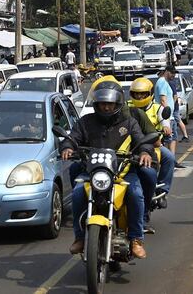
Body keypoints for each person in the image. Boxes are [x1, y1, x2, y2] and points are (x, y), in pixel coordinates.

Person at [62, 79, 153, 258]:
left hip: (123, 172)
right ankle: (80, 238)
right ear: (97, 103)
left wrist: (145, 152)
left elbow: (141, 140)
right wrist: (67, 147)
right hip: (92, 173)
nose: (106, 108)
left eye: (110, 104)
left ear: (118, 103)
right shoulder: (85, 122)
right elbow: (72, 138)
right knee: (79, 193)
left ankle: (136, 238)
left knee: (136, 194)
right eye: (103, 104)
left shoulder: (129, 123)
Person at [128, 78, 175, 214]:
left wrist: (166, 128)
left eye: (142, 94)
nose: (139, 96)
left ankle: (161, 190)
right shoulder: (127, 107)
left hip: (153, 144)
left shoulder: (157, 108)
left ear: (150, 94)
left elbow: (165, 121)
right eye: (136, 94)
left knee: (169, 158)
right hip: (129, 145)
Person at [155, 66, 182, 164]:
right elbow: (163, 100)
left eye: (174, 73)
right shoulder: (162, 82)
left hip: (170, 116)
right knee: (168, 139)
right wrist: (167, 114)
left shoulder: (165, 82)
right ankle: (168, 161)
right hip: (166, 117)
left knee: (173, 138)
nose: (174, 75)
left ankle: (172, 160)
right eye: (172, 73)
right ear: (166, 72)